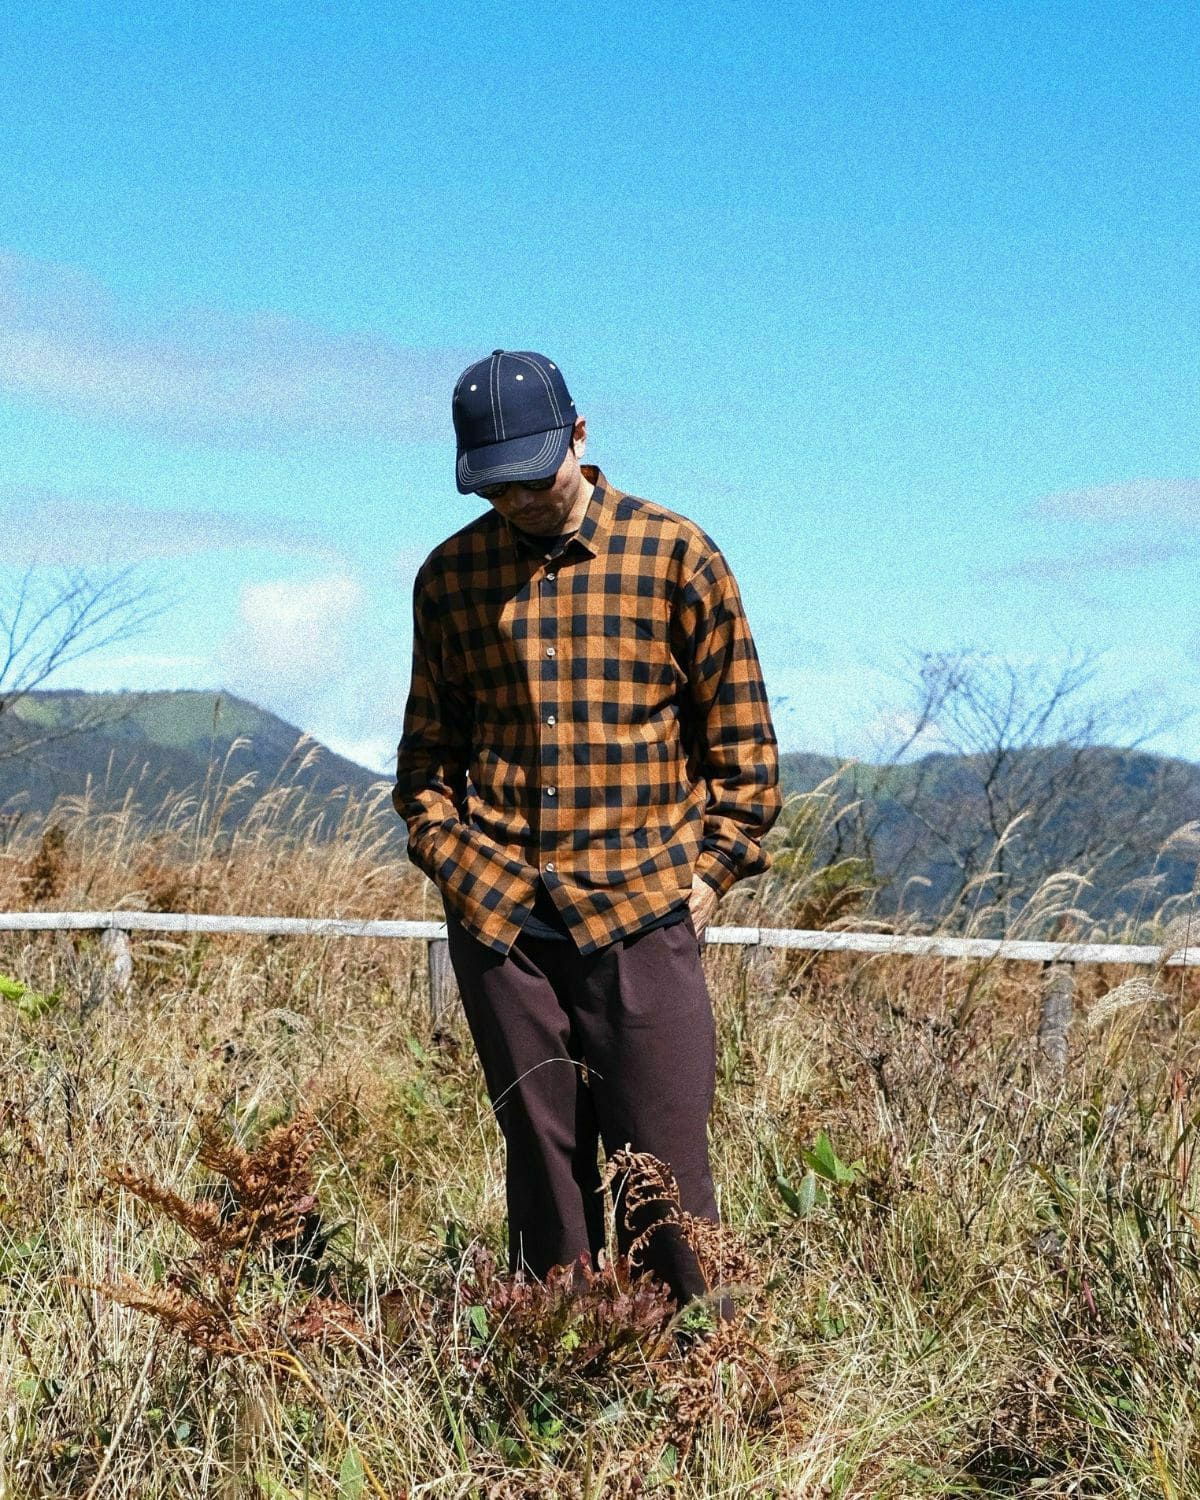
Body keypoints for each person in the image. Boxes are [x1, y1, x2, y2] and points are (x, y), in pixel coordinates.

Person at [393, 349, 781, 1311]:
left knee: (667, 1180)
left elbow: (746, 755)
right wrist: (465, 878)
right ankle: (560, 1370)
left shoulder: (677, 556)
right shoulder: (449, 578)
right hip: (504, 929)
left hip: (643, 912)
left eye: (534, 473)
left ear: (578, 434)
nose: (519, 499)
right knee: (543, 1175)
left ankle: (694, 1374)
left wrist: (706, 880)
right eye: (496, 485)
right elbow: (425, 770)